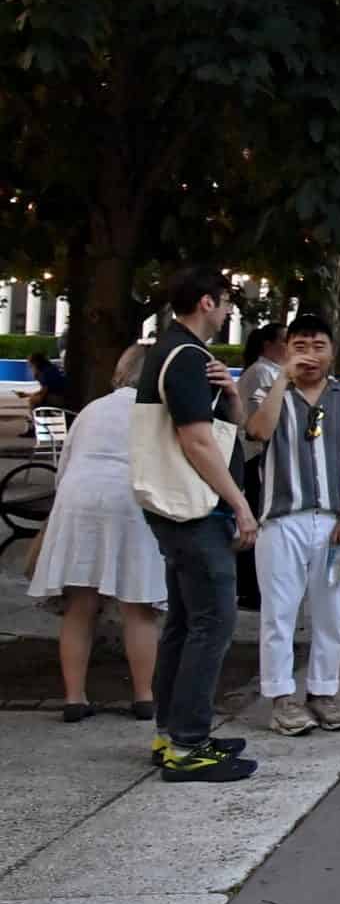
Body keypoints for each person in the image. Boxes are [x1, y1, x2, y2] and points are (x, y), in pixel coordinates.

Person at [128, 265, 261, 783]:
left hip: (176, 509)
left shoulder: (171, 352)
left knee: (186, 622)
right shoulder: (185, 357)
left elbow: (216, 431)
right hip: (195, 510)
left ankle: (174, 732)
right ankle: (188, 745)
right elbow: (197, 440)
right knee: (213, 622)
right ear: (207, 302)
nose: (228, 311)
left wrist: (230, 395)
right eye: (225, 302)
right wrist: (240, 505)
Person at [241, 313, 340, 735]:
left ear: (333, 351)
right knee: (279, 613)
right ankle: (282, 698)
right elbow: (258, 432)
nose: (310, 356)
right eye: (300, 346)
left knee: (331, 611)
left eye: (319, 346)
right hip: (281, 520)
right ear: (286, 351)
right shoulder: (271, 392)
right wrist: (283, 379)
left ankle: (323, 692)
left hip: (334, 522)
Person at [32, 343, 161, 722]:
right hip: (132, 501)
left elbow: (66, 463)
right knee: (138, 605)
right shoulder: (157, 411)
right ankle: (143, 695)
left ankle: (75, 698)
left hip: (78, 502)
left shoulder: (93, 409)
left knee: (80, 605)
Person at [232, 322, 288, 613]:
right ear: (268, 344)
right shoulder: (262, 373)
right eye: (284, 340)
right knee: (256, 517)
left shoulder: (269, 372)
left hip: (263, 455)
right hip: (257, 456)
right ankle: (251, 588)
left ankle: (254, 586)